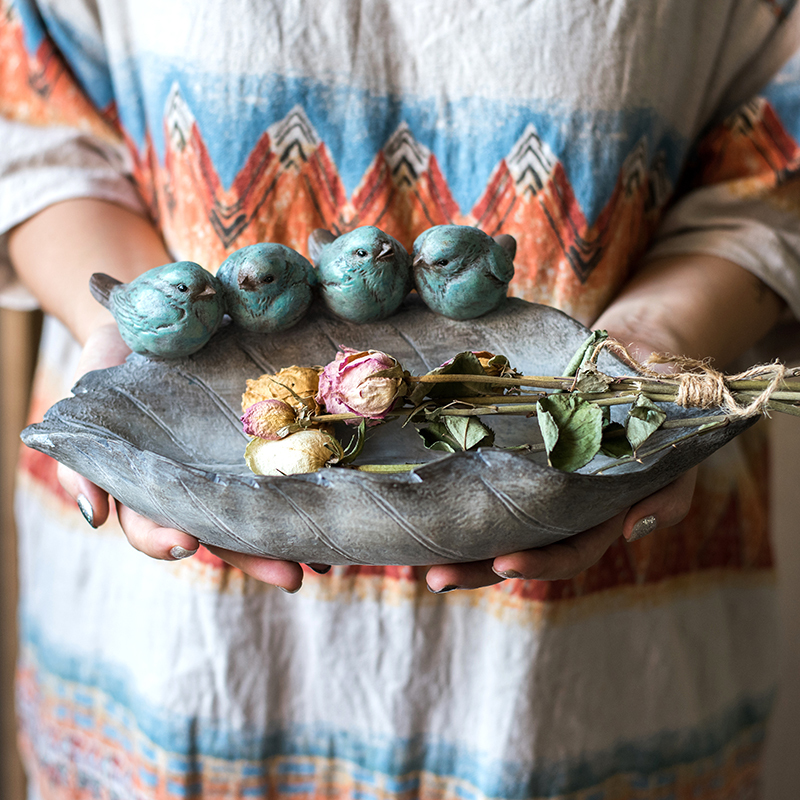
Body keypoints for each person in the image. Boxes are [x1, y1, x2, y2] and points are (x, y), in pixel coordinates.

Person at [1, 1, 798, 797]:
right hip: (176, 657)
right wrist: (127, 333)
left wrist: (659, 341)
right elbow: (30, 114)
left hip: (589, 672)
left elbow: (780, 143)